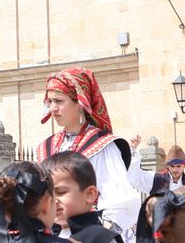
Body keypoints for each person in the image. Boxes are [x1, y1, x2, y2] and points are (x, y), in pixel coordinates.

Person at [36, 67, 142, 231]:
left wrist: (100, 238)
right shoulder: (46, 146)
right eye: (50, 102)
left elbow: (120, 197)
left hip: (89, 235)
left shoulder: (102, 144)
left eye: (59, 101)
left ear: (79, 103)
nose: (53, 108)